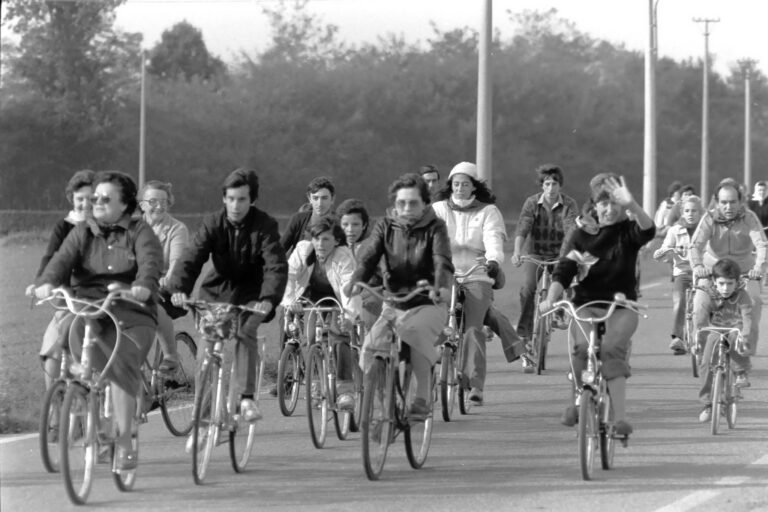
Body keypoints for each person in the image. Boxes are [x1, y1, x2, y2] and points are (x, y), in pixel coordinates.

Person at [35, 170, 163, 470]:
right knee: (72, 343)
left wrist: (142, 286)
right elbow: (61, 260)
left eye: (106, 199)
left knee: (120, 366)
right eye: (95, 198)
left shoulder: (140, 231)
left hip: (132, 312)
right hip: (91, 308)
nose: (97, 203)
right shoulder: (83, 231)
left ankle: (124, 442)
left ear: (124, 204)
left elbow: (150, 261)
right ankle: (86, 407)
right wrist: (46, 282)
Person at [171, 168, 288, 434]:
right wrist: (179, 289)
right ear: (224, 198)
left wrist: (268, 299)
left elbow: (275, 265)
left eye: (242, 199)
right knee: (207, 349)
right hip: (217, 290)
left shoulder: (265, 225)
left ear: (252, 200)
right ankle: (204, 417)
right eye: (231, 199)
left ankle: (245, 399)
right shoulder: (213, 222)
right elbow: (192, 257)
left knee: (245, 332)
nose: (235, 205)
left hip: (253, 293)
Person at [540, 173, 655, 436]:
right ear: (594, 205)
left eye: (615, 203)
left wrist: (632, 205)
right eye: (604, 203)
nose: (610, 209)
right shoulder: (581, 234)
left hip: (621, 307)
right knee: (582, 349)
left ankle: (620, 418)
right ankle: (577, 400)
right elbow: (564, 270)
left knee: (611, 350)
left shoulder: (627, 230)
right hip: (586, 304)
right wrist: (550, 299)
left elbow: (649, 231)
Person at [344, 173, 452, 418]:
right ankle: (385, 402)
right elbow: (369, 257)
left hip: (428, 302)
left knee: (413, 332)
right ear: (394, 204)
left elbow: (442, 260)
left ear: (424, 203)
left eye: (413, 203)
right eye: (401, 203)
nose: (407, 208)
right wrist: (356, 280)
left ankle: (423, 395)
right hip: (393, 303)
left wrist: (441, 287)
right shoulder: (385, 226)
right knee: (369, 348)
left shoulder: (435, 228)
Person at [432, 162, 508, 405]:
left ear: (474, 186)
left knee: (473, 328)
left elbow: (493, 239)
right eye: (456, 184)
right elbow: (428, 238)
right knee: (431, 318)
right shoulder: (438, 209)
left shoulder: (488, 211)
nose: (460, 188)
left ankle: (475, 385)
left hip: (477, 274)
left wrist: (493, 261)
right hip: (444, 273)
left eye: (465, 184)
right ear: (450, 185)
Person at [689, 179, 766, 387]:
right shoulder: (709, 218)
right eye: (723, 202)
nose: (728, 207)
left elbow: (761, 244)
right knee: (699, 305)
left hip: (744, 272)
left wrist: (759, 267)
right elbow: (695, 246)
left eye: (732, 202)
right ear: (717, 202)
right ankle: (701, 346)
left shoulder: (749, 218)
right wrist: (698, 266)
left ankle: (744, 355)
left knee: (754, 302)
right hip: (713, 271)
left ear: (741, 202)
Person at [280, 217, 360, 411]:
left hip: (337, 299)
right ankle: (315, 383)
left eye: (326, 239)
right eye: (316, 239)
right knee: (308, 339)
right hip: (309, 298)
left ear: (336, 241)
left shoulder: (343, 256)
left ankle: (345, 391)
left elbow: (349, 288)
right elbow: (288, 276)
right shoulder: (303, 250)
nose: (320, 244)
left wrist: (349, 316)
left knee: (339, 335)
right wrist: (290, 301)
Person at [26, 169, 95, 389]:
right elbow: (52, 257)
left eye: (91, 198)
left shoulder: (109, 226)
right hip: (71, 299)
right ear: (71, 199)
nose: (85, 204)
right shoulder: (64, 226)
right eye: (80, 198)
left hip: (101, 298)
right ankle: (54, 404)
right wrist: (41, 283)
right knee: (51, 349)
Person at [511, 164, 579, 373]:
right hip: (535, 253)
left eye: (554, 184)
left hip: (559, 253)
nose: (551, 188)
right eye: (547, 184)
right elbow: (523, 227)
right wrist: (517, 252)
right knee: (527, 288)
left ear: (560, 185)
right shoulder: (532, 202)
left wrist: (566, 256)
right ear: (542, 185)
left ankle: (559, 312)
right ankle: (524, 333)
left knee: (565, 279)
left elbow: (570, 230)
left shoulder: (569, 204)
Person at [138, 180, 189, 372]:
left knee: (152, 305)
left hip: (167, 289)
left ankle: (171, 357)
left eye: (163, 202)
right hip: (135, 286)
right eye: (152, 201)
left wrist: (166, 278)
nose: (159, 206)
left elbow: (176, 262)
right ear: (142, 204)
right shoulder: (130, 228)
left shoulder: (177, 229)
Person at [695, 258, 752, 422]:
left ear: (737, 282)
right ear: (714, 281)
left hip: (735, 329)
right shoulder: (708, 294)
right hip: (715, 329)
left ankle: (740, 373)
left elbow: (747, 317)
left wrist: (745, 336)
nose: (725, 288)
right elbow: (700, 318)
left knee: (736, 340)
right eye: (721, 283)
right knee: (706, 363)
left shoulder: (742, 295)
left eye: (730, 283)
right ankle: (707, 404)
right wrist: (697, 338)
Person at [652, 195, 704, 355]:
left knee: (708, 302)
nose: (690, 214)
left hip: (704, 274)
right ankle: (678, 338)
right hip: (683, 273)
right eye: (687, 211)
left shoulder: (707, 229)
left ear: (700, 212)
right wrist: (664, 252)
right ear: (682, 212)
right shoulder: (675, 230)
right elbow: (664, 250)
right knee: (680, 300)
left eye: (694, 211)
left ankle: (710, 335)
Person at [337, 198, 383, 326]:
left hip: (370, 301)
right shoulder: (333, 247)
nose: (350, 229)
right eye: (345, 224)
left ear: (364, 225)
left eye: (355, 224)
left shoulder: (373, 246)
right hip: (340, 302)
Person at [280, 176, 336, 256]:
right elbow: (278, 251)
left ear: (332, 199)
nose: (320, 203)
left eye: (324, 198)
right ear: (309, 198)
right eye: (315, 198)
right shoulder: (298, 219)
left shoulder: (340, 223)